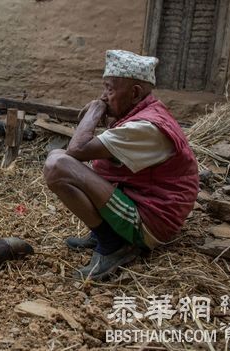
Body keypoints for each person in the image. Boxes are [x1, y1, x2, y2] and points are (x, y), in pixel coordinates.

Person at [43, 50, 199, 280]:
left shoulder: (145, 127)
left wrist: (95, 110)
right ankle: (106, 231)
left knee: (58, 165)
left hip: (150, 220)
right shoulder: (144, 112)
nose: (104, 96)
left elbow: (76, 151)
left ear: (135, 93)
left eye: (110, 89)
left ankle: (112, 244)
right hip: (141, 199)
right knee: (58, 156)